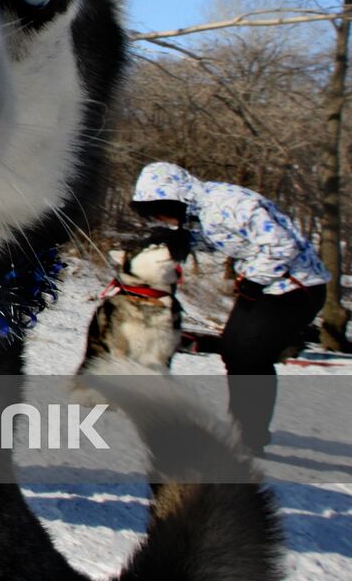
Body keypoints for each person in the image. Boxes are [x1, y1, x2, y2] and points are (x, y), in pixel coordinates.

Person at [130, 161, 331, 453]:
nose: (160, 218)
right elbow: (231, 241)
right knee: (233, 350)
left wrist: (254, 279)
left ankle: (249, 436)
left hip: (296, 287)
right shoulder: (205, 210)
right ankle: (241, 427)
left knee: (250, 356)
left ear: (175, 197)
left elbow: (282, 246)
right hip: (268, 286)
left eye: (159, 210)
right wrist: (183, 240)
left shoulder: (229, 203)